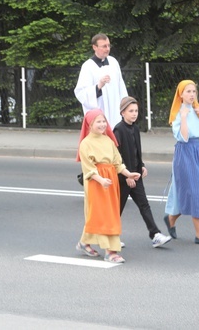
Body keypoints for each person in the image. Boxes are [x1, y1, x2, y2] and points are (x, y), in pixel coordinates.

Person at [76, 108, 140, 263]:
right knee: (104, 216)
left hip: (110, 181)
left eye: (104, 121)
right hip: (96, 183)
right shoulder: (85, 144)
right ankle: (110, 252)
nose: (102, 124)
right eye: (98, 121)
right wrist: (101, 180)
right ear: (90, 124)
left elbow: (118, 163)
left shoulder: (108, 141)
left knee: (107, 214)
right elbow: (88, 169)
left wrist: (128, 174)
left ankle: (84, 242)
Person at [163, 80, 199, 245]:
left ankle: (171, 218)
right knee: (194, 192)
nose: (192, 94)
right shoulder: (178, 114)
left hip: (197, 151)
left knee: (190, 191)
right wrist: (184, 117)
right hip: (184, 153)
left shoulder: (198, 110)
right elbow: (183, 137)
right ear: (180, 94)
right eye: (188, 91)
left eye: (194, 91)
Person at [113, 96, 171, 248]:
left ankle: (155, 234)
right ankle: (112, 237)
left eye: (136, 111)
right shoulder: (118, 129)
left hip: (136, 176)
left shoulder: (136, 128)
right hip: (124, 178)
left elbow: (135, 152)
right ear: (122, 113)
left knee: (144, 205)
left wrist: (142, 165)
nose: (134, 114)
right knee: (117, 209)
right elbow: (116, 156)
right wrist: (125, 176)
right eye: (130, 111)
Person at [74, 33, 128, 128]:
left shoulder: (113, 62)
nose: (107, 49)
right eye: (104, 46)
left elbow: (121, 86)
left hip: (115, 111)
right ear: (94, 47)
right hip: (100, 111)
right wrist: (99, 86)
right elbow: (81, 92)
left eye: (108, 45)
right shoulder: (88, 66)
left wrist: (125, 105)